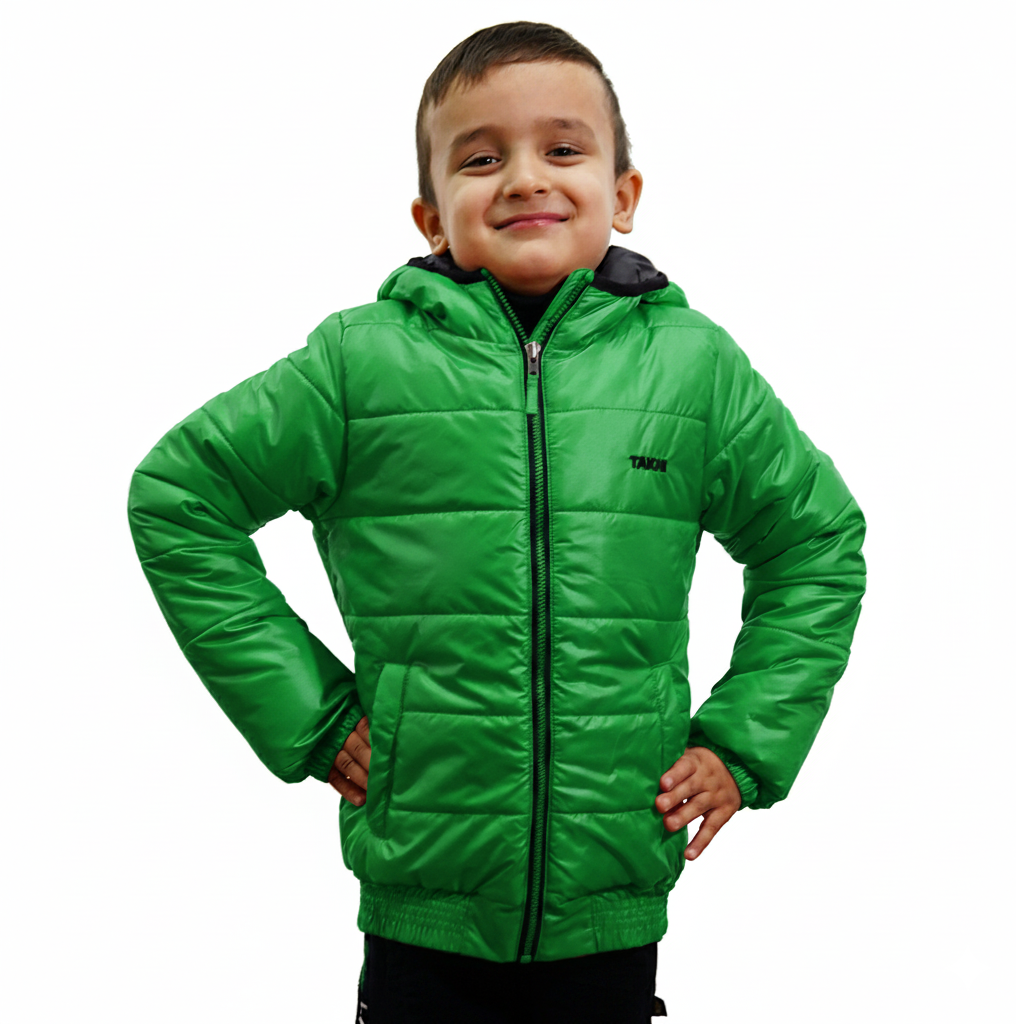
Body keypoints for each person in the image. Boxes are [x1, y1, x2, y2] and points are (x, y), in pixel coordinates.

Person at [128, 21, 866, 1024]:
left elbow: (816, 542)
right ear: (431, 216)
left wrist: (744, 746)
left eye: (562, 149)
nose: (524, 178)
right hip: (421, 900)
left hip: (611, 900)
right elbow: (180, 496)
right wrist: (314, 717)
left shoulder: (692, 369)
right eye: (481, 159)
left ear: (624, 194)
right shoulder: (358, 365)